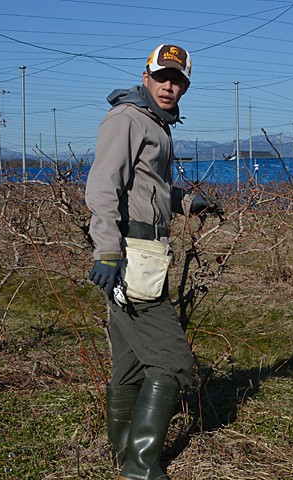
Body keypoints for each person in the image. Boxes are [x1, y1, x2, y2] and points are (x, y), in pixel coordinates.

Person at [85, 43, 222, 480]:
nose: (169, 86)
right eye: (162, 77)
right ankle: (141, 468)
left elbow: (147, 188)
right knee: (172, 361)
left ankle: (124, 454)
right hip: (132, 251)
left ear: (185, 87)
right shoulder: (127, 119)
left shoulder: (155, 124)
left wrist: (185, 203)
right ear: (145, 77)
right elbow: (104, 186)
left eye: (177, 80)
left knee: (130, 363)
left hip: (146, 249)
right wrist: (107, 250)